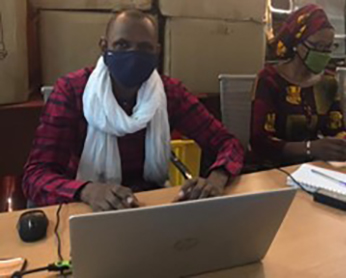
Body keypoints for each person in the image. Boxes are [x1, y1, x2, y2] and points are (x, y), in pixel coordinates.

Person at [23, 9, 244, 211]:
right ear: (104, 47)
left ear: (156, 52)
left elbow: (227, 142)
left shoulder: (170, 94)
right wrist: (87, 191)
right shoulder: (72, 92)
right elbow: (36, 176)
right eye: (121, 45)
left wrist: (217, 178)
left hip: (149, 206)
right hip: (86, 208)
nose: (133, 55)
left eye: (144, 48)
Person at [251, 4, 346, 167]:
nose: (323, 53)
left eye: (328, 47)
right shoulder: (270, 80)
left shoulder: (328, 82)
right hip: (275, 170)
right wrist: (310, 148)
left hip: (317, 167)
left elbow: (335, 130)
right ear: (297, 43)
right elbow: (260, 142)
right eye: (317, 46)